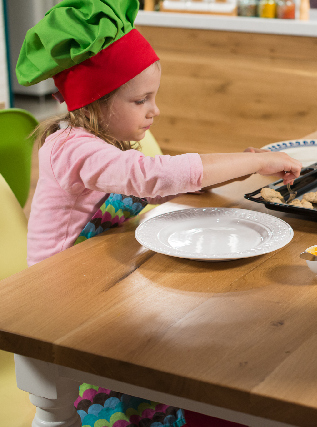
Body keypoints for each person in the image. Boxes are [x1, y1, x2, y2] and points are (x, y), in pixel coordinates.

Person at [15, 0, 300, 426]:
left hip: (99, 275)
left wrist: (235, 166)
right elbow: (151, 178)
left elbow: (167, 186)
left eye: (154, 96)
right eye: (141, 99)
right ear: (95, 102)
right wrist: (255, 165)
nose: (155, 110)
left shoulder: (107, 139)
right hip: (57, 294)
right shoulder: (72, 147)